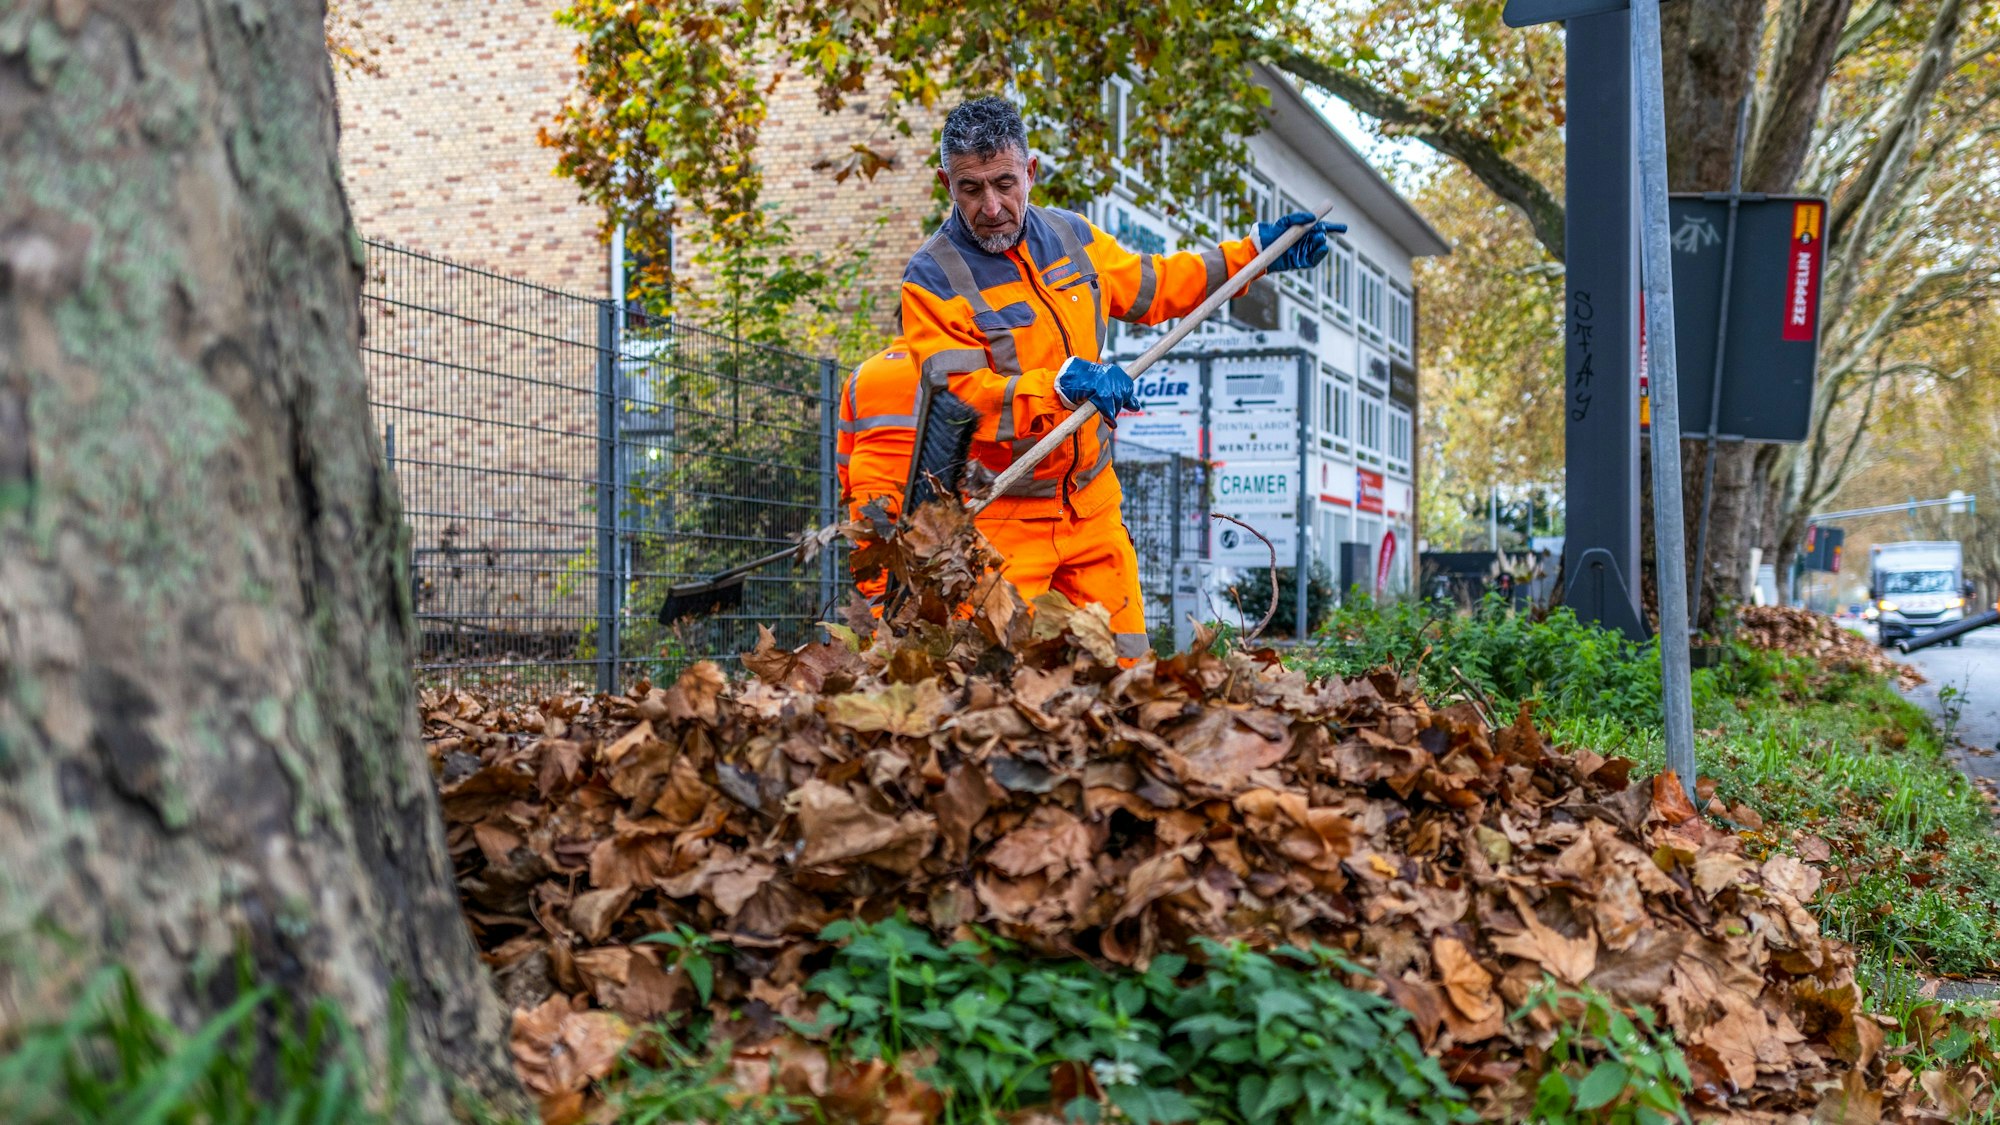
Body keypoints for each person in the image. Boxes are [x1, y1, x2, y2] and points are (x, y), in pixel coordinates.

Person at [899, 95, 1338, 659]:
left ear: (1031, 172)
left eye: (1005, 183)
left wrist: (1253, 255)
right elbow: (963, 401)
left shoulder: (1072, 238)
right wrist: (1058, 384)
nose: (991, 206)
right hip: (1002, 518)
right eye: (971, 188)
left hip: (1092, 508)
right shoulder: (931, 278)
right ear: (946, 183)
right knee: (997, 682)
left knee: (1129, 669)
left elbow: (1154, 284)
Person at [835, 339, 922, 603]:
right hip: (920, 491)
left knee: (877, 586)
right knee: (929, 582)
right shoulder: (937, 370)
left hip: (869, 496)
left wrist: (852, 497)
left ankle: (879, 639)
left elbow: (843, 454)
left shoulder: (859, 374)